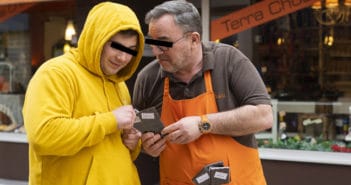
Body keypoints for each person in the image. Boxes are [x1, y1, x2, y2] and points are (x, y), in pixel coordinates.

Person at [132, 0, 273, 185]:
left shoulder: (228, 61)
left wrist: (202, 124)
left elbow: (264, 116)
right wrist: (146, 144)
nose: (157, 52)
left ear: (194, 39)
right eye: (152, 42)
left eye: (164, 43)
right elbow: (139, 130)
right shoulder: (148, 79)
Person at [22, 2, 144, 185]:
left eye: (131, 50)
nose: (123, 57)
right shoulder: (56, 73)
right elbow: (43, 136)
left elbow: (115, 146)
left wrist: (132, 142)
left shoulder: (119, 84)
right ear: (96, 39)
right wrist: (111, 120)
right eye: (116, 47)